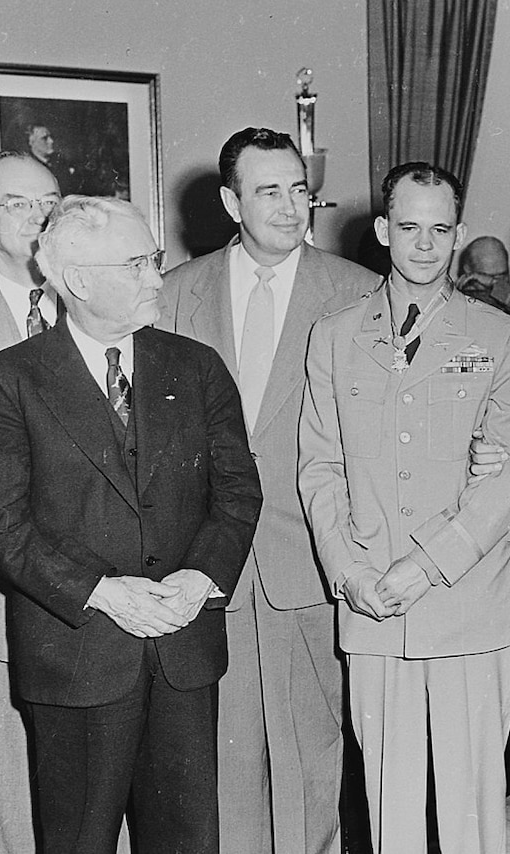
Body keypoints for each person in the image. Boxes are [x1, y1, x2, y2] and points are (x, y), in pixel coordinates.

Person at [0, 196, 262, 854]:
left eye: (155, 260)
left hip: (184, 651)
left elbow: (238, 490)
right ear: (77, 278)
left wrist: (200, 579)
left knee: (188, 842)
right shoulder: (5, 383)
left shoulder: (197, 367)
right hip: (77, 658)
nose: (158, 278)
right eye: (137, 264)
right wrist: (104, 593)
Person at [298, 162, 510, 854]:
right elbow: (320, 468)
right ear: (381, 231)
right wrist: (349, 573)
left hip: (466, 604)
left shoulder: (501, 338)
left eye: (439, 229)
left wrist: (427, 567)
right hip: (372, 603)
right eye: (408, 227)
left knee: (473, 814)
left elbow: (506, 474)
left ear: (459, 233)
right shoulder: (335, 337)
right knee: (388, 805)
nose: (425, 245)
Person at [157, 127, 379, 854]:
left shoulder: (355, 292)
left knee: (312, 755)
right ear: (230, 201)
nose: (291, 207)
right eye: (268, 191)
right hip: (201, 565)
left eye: (298, 188)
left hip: (307, 561)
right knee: (219, 759)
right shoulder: (173, 295)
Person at [0, 150, 63, 854]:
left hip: (94, 592)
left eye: (50, 201)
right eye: (17, 204)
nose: (38, 217)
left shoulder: (95, 306)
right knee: (10, 797)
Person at [456, 234, 510, 317]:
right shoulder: (457, 300)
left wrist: (494, 283)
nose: (499, 281)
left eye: (503, 275)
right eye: (488, 276)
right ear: (468, 271)